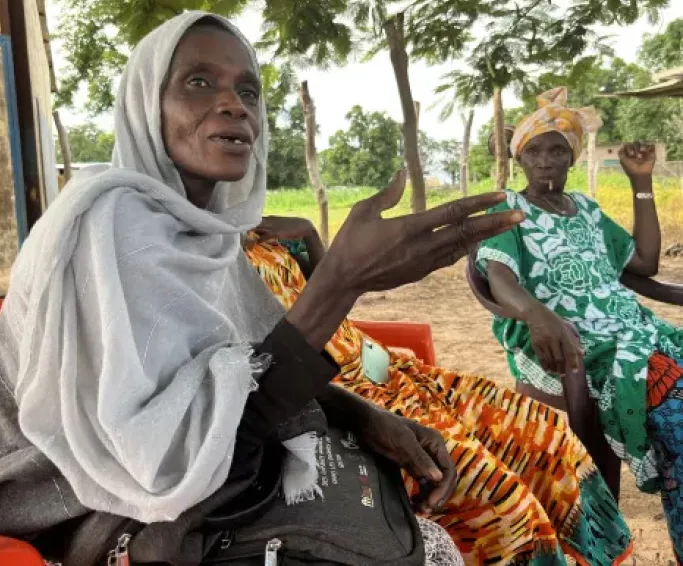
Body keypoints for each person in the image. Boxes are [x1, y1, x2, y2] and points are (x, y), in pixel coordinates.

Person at [0, 12, 523, 565]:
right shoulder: (110, 225)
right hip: (73, 508)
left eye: (248, 92)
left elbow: (244, 371)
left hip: (193, 479)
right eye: (198, 83)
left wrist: (361, 413)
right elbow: (166, 456)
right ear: (146, 106)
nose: (234, 105)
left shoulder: (206, 233)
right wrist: (341, 280)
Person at [244, 221, 633, 565]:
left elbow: (329, 301)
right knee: (499, 502)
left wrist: (311, 235)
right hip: (330, 397)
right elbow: (254, 372)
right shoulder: (202, 259)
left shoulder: (266, 231)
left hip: (386, 369)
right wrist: (362, 412)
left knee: (548, 435)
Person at [476, 87, 683, 563]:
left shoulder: (586, 211)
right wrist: (537, 313)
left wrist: (641, 182)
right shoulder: (509, 209)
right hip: (574, 343)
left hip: (634, 332)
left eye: (557, 151)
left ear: (571, 159)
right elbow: (500, 277)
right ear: (519, 158)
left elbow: (645, 262)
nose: (546, 161)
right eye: (535, 151)